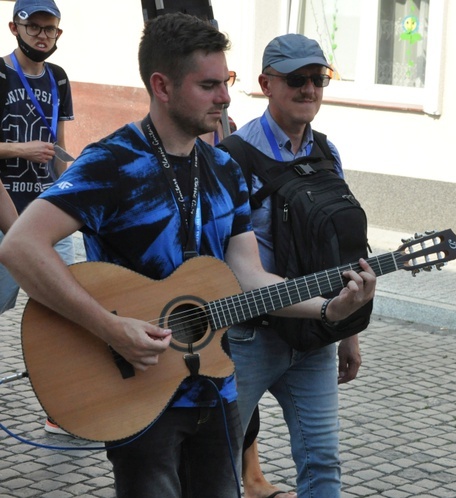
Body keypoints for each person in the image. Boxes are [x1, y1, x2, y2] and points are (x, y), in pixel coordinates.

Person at [0, 13, 376, 497]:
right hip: (136, 388)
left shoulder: (225, 170)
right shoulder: (112, 162)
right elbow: (20, 245)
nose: (225, 97)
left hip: (216, 388)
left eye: (227, 82)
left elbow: (248, 277)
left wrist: (328, 308)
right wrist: (110, 326)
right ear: (162, 86)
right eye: (209, 85)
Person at [224, 34, 361, 498]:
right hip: (249, 336)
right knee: (218, 463)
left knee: (323, 461)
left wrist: (348, 333)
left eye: (318, 78)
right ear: (266, 83)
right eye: (296, 79)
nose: (309, 89)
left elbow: (342, 253)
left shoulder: (326, 151)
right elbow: (231, 264)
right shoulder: (233, 157)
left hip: (314, 339)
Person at [0, 0, 76, 434]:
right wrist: (20, 150)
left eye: (51, 30)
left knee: (65, 311)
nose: (44, 36)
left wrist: (73, 193)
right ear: (15, 27)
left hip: (50, 216)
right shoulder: (0, 73)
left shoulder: (59, 78)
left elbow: (60, 145)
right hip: (5, 213)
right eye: (35, 28)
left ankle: (61, 409)